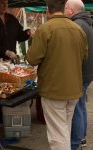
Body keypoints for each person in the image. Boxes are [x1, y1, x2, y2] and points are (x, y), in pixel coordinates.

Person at [26, 0, 88, 150]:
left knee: (57, 135)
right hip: (73, 89)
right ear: (64, 8)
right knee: (64, 130)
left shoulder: (46, 28)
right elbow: (84, 57)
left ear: (48, 9)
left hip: (54, 91)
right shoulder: (78, 29)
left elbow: (32, 59)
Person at [0, 0, 32, 128]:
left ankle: (6, 120)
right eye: (2, 3)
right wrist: (4, 51)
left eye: (7, 3)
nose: (5, 6)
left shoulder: (12, 19)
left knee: (9, 91)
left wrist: (27, 33)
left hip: (10, 64)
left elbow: (19, 36)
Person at [64, 0, 93, 149]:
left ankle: (75, 143)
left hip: (80, 74)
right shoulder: (86, 22)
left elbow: (74, 54)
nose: (64, 10)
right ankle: (81, 138)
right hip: (87, 72)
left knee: (76, 109)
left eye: (65, 7)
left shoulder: (77, 25)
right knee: (81, 106)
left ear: (71, 10)